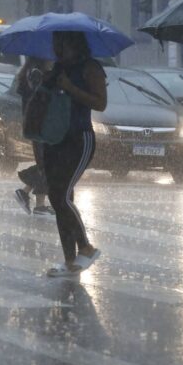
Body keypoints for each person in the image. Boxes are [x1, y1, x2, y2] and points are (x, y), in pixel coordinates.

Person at [42, 31, 106, 277]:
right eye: (55, 42)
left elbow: (100, 103)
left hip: (79, 138)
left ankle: (86, 247)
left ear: (74, 43)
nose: (57, 47)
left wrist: (70, 88)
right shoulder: (58, 67)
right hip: (54, 138)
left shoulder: (91, 68)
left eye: (62, 42)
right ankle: (70, 260)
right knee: (58, 199)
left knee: (61, 195)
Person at [13, 57, 55, 216]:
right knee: (47, 164)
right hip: (40, 126)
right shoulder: (36, 75)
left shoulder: (29, 73)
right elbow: (41, 99)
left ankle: (30, 197)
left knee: (45, 164)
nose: (52, 60)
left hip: (36, 125)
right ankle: (37, 203)